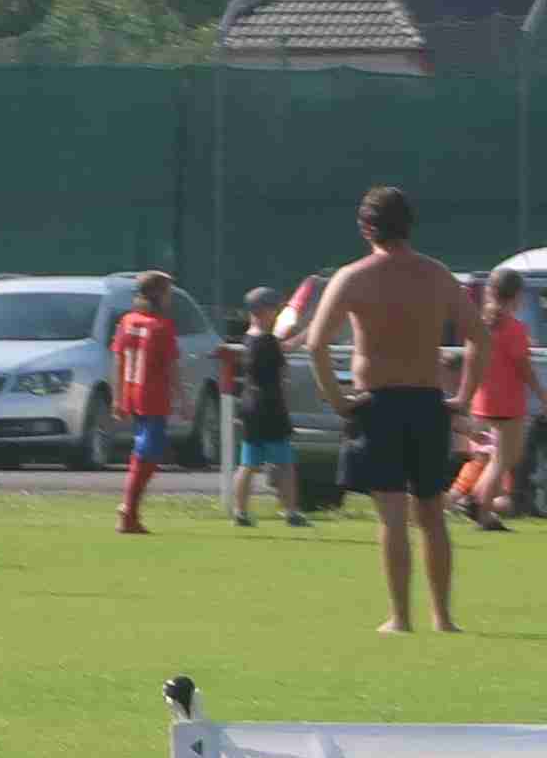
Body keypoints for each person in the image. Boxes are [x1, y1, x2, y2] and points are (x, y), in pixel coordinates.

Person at [294, 187, 468, 634]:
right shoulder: (437, 275)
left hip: (379, 404)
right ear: (409, 224)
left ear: (366, 227)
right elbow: (480, 340)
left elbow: (316, 344)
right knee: (432, 515)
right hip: (427, 401)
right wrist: (464, 397)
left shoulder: (353, 277)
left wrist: (337, 400)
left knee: (392, 514)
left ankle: (401, 618)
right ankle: (443, 618)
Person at [106, 268, 190, 538]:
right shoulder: (162, 326)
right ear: (158, 295)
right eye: (167, 292)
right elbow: (172, 367)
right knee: (147, 454)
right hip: (153, 396)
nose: (170, 298)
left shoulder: (127, 321)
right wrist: (184, 399)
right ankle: (127, 510)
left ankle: (130, 510)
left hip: (132, 394)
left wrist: (118, 397)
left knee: (146, 452)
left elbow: (118, 359)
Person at [458, 265, 532, 533]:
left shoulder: (480, 325)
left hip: (484, 401)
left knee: (499, 457)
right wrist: (542, 394)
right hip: (508, 402)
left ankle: (481, 509)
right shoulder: (515, 328)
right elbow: (524, 368)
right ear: (516, 296)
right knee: (505, 458)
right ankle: (478, 505)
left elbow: (470, 360)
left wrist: (465, 398)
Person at [222, 291, 300, 528]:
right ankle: (291, 512)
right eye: (274, 308)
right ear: (264, 311)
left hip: (250, 405)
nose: (276, 313)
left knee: (249, 463)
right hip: (270, 406)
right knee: (284, 463)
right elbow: (283, 368)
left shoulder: (249, 338)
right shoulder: (268, 341)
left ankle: (240, 512)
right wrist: (309, 334)